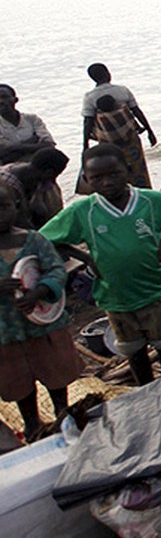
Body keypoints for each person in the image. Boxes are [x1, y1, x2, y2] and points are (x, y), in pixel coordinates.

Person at [41, 144, 161, 385]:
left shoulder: (149, 201)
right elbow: (45, 238)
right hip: (115, 297)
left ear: (127, 170)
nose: (107, 182)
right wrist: (86, 258)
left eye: (114, 174)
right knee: (133, 350)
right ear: (87, 180)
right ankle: (146, 388)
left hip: (154, 290)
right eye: (97, 178)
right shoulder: (84, 211)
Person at [0, 183, 80, 442]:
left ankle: (62, 413)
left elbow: (56, 269)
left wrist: (40, 291)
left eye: (3, 207)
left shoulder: (33, 240)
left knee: (55, 370)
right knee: (19, 380)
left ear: (17, 207)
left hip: (44, 324)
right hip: (6, 330)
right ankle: (32, 423)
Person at [82, 63, 156, 167]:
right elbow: (137, 111)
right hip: (130, 138)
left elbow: (87, 122)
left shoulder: (90, 97)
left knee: (114, 168)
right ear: (108, 73)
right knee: (137, 167)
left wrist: (85, 145)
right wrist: (150, 131)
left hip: (107, 142)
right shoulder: (122, 90)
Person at [82, 94, 150, 189]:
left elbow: (92, 130)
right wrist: (146, 129)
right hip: (130, 146)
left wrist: (85, 145)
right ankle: (142, 188)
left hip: (110, 149)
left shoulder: (99, 117)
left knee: (114, 171)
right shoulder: (122, 111)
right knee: (137, 170)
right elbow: (132, 123)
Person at [0, 85, 54, 164]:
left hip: (38, 168)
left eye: (5, 97)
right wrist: (33, 141)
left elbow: (49, 145)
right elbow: (3, 155)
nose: (1, 101)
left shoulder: (32, 119)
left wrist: (13, 148)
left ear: (15, 100)